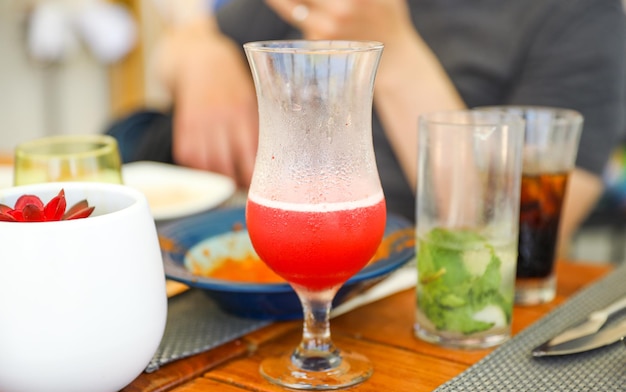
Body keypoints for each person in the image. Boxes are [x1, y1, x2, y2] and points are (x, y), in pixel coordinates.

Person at [108, 0, 626, 256]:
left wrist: (392, 49)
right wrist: (200, 49)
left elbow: (517, 242)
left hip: (407, 283)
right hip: (226, 248)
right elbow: (169, 56)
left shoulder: (579, 15)